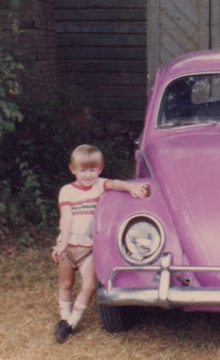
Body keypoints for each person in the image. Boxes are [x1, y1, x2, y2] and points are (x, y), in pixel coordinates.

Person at [51, 144, 149, 343]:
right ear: (72, 169)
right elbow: (67, 218)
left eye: (93, 170)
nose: (88, 175)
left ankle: (70, 324)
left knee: (90, 286)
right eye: (83, 170)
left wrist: (131, 187)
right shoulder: (67, 191)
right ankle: (64, 317)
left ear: (100, 169)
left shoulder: (99, 185)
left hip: (88, 249)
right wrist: (62, 244)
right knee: (66, 283)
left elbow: (114, 184)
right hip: (68, 246)